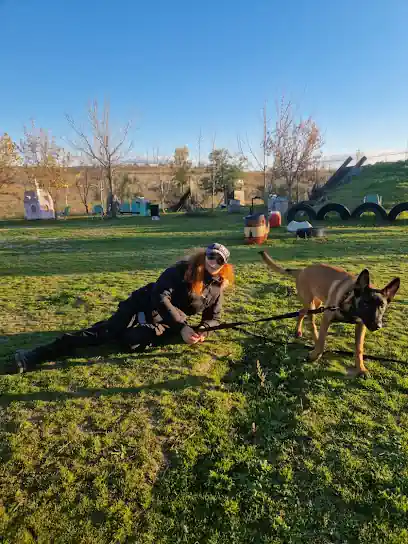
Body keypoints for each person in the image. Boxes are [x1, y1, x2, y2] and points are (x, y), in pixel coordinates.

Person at [10, 243, 234, 373]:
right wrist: (183, 326)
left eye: (219, 260)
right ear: (204, 255)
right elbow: (160, 296)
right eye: (210, 256)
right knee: (105, 333)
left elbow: (215, 317)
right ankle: (35, 355)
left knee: (131, 342)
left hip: (166, 322)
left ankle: (130, 330)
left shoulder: (217, 287)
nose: (213, 262)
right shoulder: (182, 269)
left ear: (224, 265)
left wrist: (202, 329)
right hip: (144, 304)